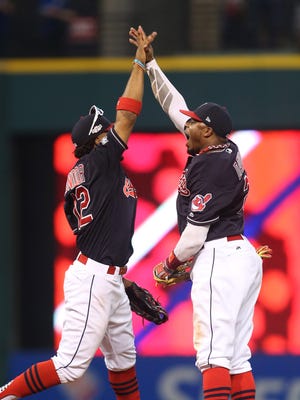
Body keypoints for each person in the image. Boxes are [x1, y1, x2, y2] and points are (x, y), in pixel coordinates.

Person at [0, 26, 147, 400]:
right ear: (97, 139)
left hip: (105, 273)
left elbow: (89, 225)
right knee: (69, 365)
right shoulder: (101, 160)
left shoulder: (88, 170)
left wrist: (118, 275)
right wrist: (139, 64)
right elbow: (128, 115)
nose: (113, 130)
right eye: (106, 130)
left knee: (123, 359)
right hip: (95, 276)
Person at [129, 26, 265, 400]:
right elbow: (175, 106)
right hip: (238, 254)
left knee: (212, 357)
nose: (185, 124)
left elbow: (192, 236)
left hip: (219, 257)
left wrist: (169, 266)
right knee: (237, 358)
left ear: (207, 130)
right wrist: (151, 64)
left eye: (193, 123)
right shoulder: (223, 148)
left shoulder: (210, 167)